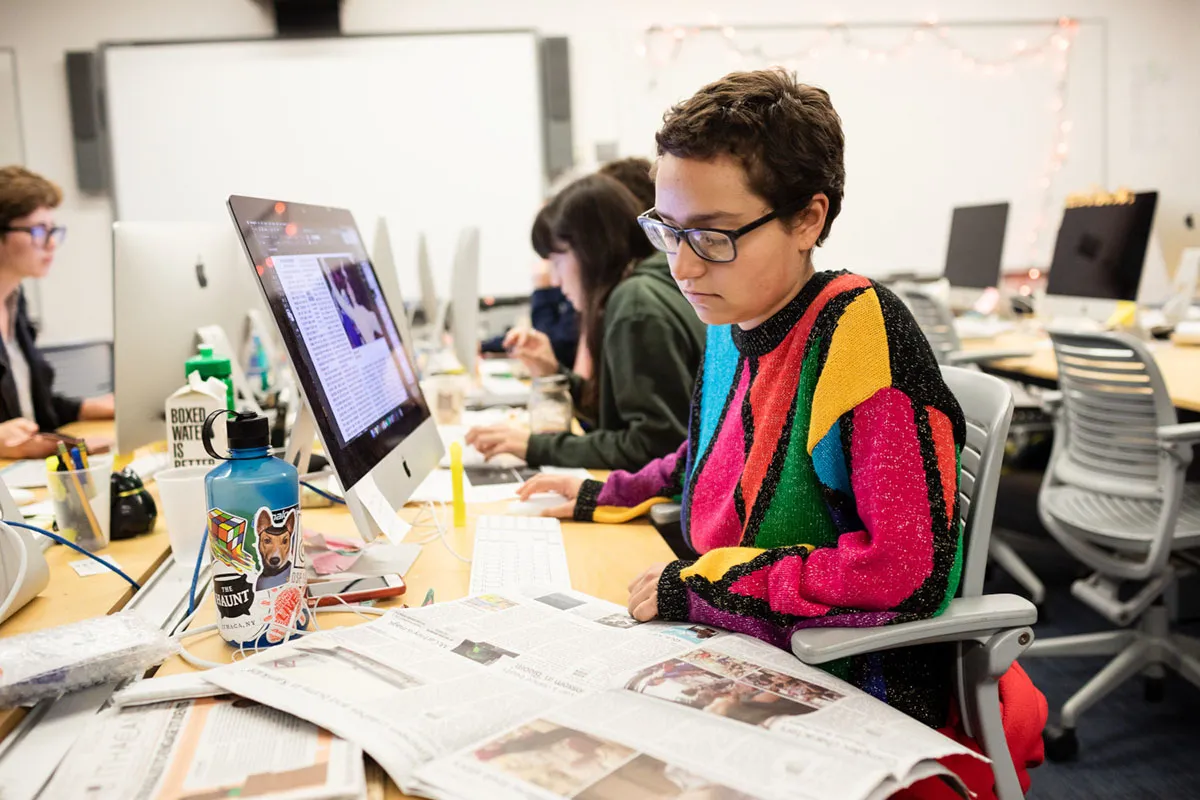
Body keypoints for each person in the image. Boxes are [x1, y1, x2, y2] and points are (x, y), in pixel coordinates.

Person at [517, 70, 1046, 798]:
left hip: (845, 679)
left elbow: (904, 572)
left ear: (807, 220)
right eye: (668, 231)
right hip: (749, 644)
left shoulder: (857, 334)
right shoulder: (733, 315)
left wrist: (706, 586)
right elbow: (708, 455)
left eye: (713, 236)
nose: (683, 265)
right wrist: (601, 491)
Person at [466, 174, 706, 471]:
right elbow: (619, 417)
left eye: (557, 261)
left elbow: (653, 447)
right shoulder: (643, 288)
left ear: (590, 249)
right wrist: (553, 373)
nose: (555, 280)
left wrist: (534, 447)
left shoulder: (635, 306)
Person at [0, 166, 113, 459]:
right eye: (38, 231)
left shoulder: (14, 302)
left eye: (52, 231)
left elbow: (29, 406)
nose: (51, 243)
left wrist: (86, 408)